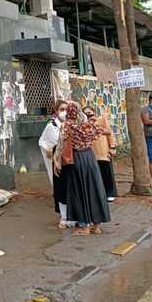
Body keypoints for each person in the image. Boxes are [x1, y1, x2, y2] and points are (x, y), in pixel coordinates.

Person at [54, 102, 111, 236]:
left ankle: (84, 226)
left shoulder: (67, 125)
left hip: (77, 159)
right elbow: (104, 131)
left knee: (79, 191)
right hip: (90, 158)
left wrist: (57, 162)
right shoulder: (88, 123)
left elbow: (61, 145)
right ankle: (96, 226)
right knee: (94, 189)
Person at [39, 100, 74, 228]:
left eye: (67, 109)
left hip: (71, 162)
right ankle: (64, 217)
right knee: (61, 189)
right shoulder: (52, 126)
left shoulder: (73, 125)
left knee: (72, 189)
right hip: (59, 163)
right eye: (61, 109)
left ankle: (74, 215)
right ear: (56, 111)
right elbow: (43, 141)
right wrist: (48, 150)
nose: (64, 112)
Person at [83, 106, 118, 203]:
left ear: (94, 112)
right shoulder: (83, 124)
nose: (89, 115)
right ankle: (97, 195)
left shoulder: (101, 120)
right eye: (86, 114)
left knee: (106, 173)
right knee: (94, 175)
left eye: (90, 113)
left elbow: (109, 133)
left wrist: (113, 147)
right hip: (91, 153)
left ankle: (109, 193)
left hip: (103, 151)